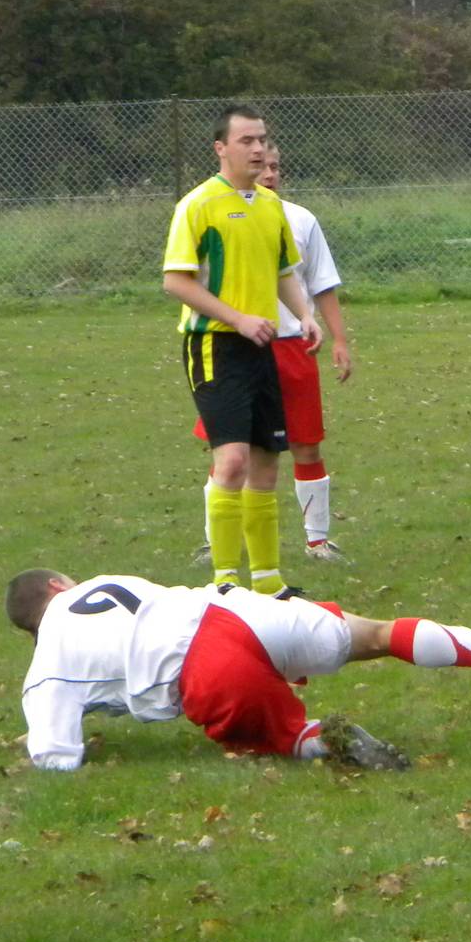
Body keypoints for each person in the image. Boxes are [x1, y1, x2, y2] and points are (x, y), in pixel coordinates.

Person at [3, 570, 471, 771]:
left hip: (203, 669)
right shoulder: (104, 582)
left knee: (287, 736)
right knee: (377, 635)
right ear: (59, 586)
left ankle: (331, 738)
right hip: (235, 610)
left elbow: (55, 757)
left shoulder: (46, 666)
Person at [165, 106, 322, 597]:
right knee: (231, 461)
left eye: (261, 139)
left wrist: (305, 315)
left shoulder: (271, 206)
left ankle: (270, 582)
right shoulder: (198, 205)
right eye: (246, 141)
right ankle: (225, 581)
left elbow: (283, 272)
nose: (257, 149)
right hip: (215, 344)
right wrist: (237, 318)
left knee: (266, 461)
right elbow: (176, 281)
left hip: (263, 345)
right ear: (221, 148)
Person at [195, 143, 354, 564]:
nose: (268, 173)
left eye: (275, 166)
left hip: (291, 347)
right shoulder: (212, 212)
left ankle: (317, 542)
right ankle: (216, 543)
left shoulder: (300, 220)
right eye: (261, 165)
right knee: (231, 450)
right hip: (236, 347)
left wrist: (339, 339)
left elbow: (322, 284)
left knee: (306, 445)